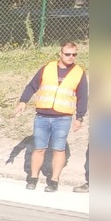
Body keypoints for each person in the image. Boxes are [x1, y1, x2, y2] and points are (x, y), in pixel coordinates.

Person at [14, 42, 88, 192]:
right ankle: (33, 178)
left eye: (74, 54)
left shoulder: (79, 72)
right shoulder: (47, 68)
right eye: (67, 54)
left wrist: (79, 118)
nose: (71, 57)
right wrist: (23, 101)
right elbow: (32, 86)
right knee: (39, 148)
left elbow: (82, 97)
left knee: (58, 149)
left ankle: (54, 181)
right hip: (42, 117)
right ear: (60, 54)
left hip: (63, 118)